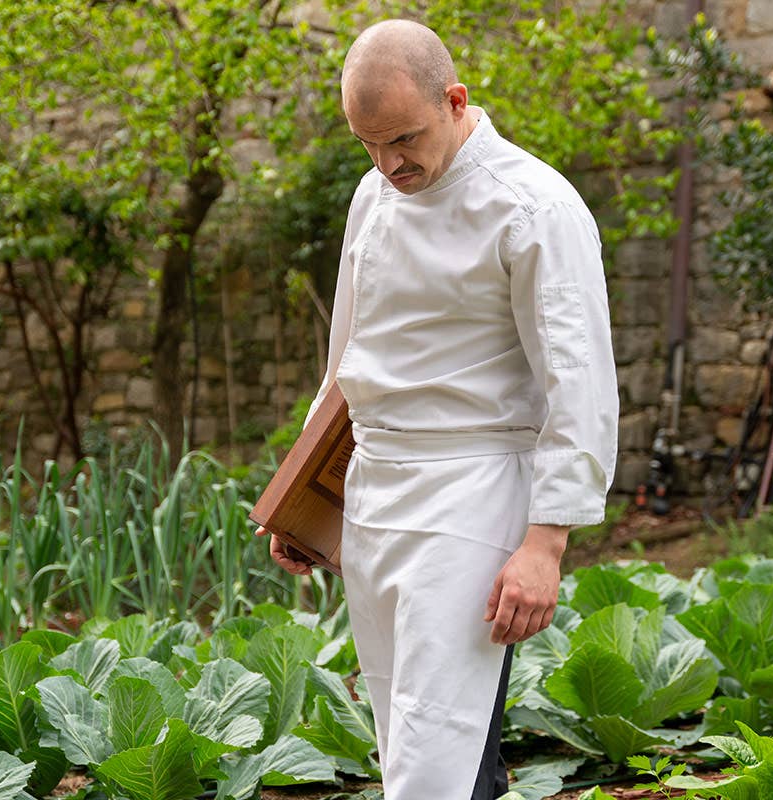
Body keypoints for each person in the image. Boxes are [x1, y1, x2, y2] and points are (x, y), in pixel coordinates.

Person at [259, 18, 618, 799]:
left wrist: (546, 542)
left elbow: (579, 382)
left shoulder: (536, 207)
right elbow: (349, 362)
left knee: (439, 756)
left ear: (455, 100)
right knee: (401, 738)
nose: (390, 165)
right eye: (369, 145)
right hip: (377, 492)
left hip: (474, 493)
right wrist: (306, 501)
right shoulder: (373, 195)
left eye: (404, 140)